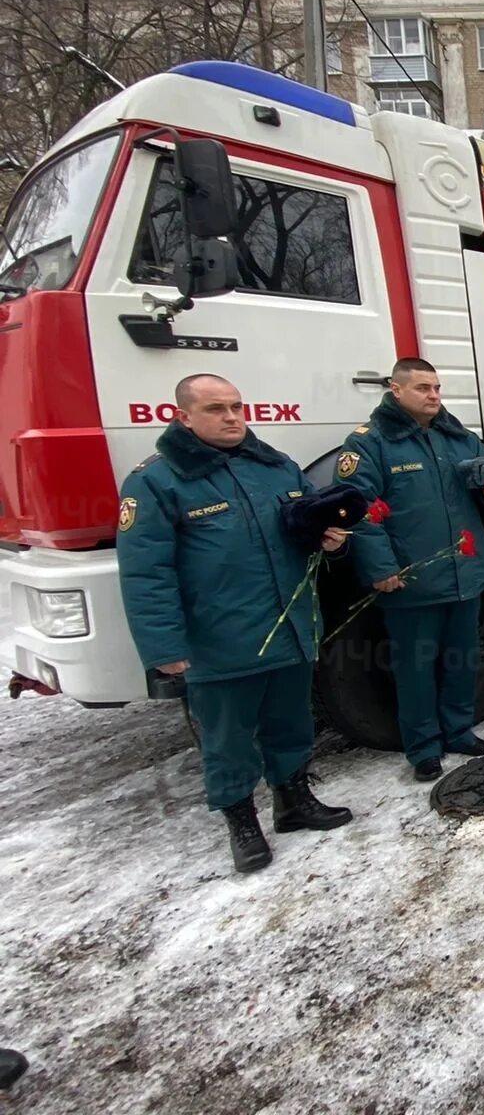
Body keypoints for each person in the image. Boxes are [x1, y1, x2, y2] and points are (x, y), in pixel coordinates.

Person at [116, 374, 353, 874]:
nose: (230, 418)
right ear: (182, 416)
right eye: (215, 409)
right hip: (220, 641)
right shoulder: (157, 482)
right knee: (228, 739)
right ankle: (241, 822)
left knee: (291, 724)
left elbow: (305, 526)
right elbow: (145, 574)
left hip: (288, 627)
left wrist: (330, 540)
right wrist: (163, 648)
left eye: (236, 407)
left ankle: (293, 801)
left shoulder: (275, 467)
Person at [339, 358, 484, 783]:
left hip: (464, 575)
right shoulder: (370, 444)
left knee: (462, 661)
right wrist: (381, 568)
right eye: (422, 388)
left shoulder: (459, 438)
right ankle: (423, 748)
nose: (434, 396)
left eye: (436, 388)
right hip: (410, 582)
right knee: (415, 669)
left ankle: (458, 731)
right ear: (395, 391)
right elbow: (358, 511)